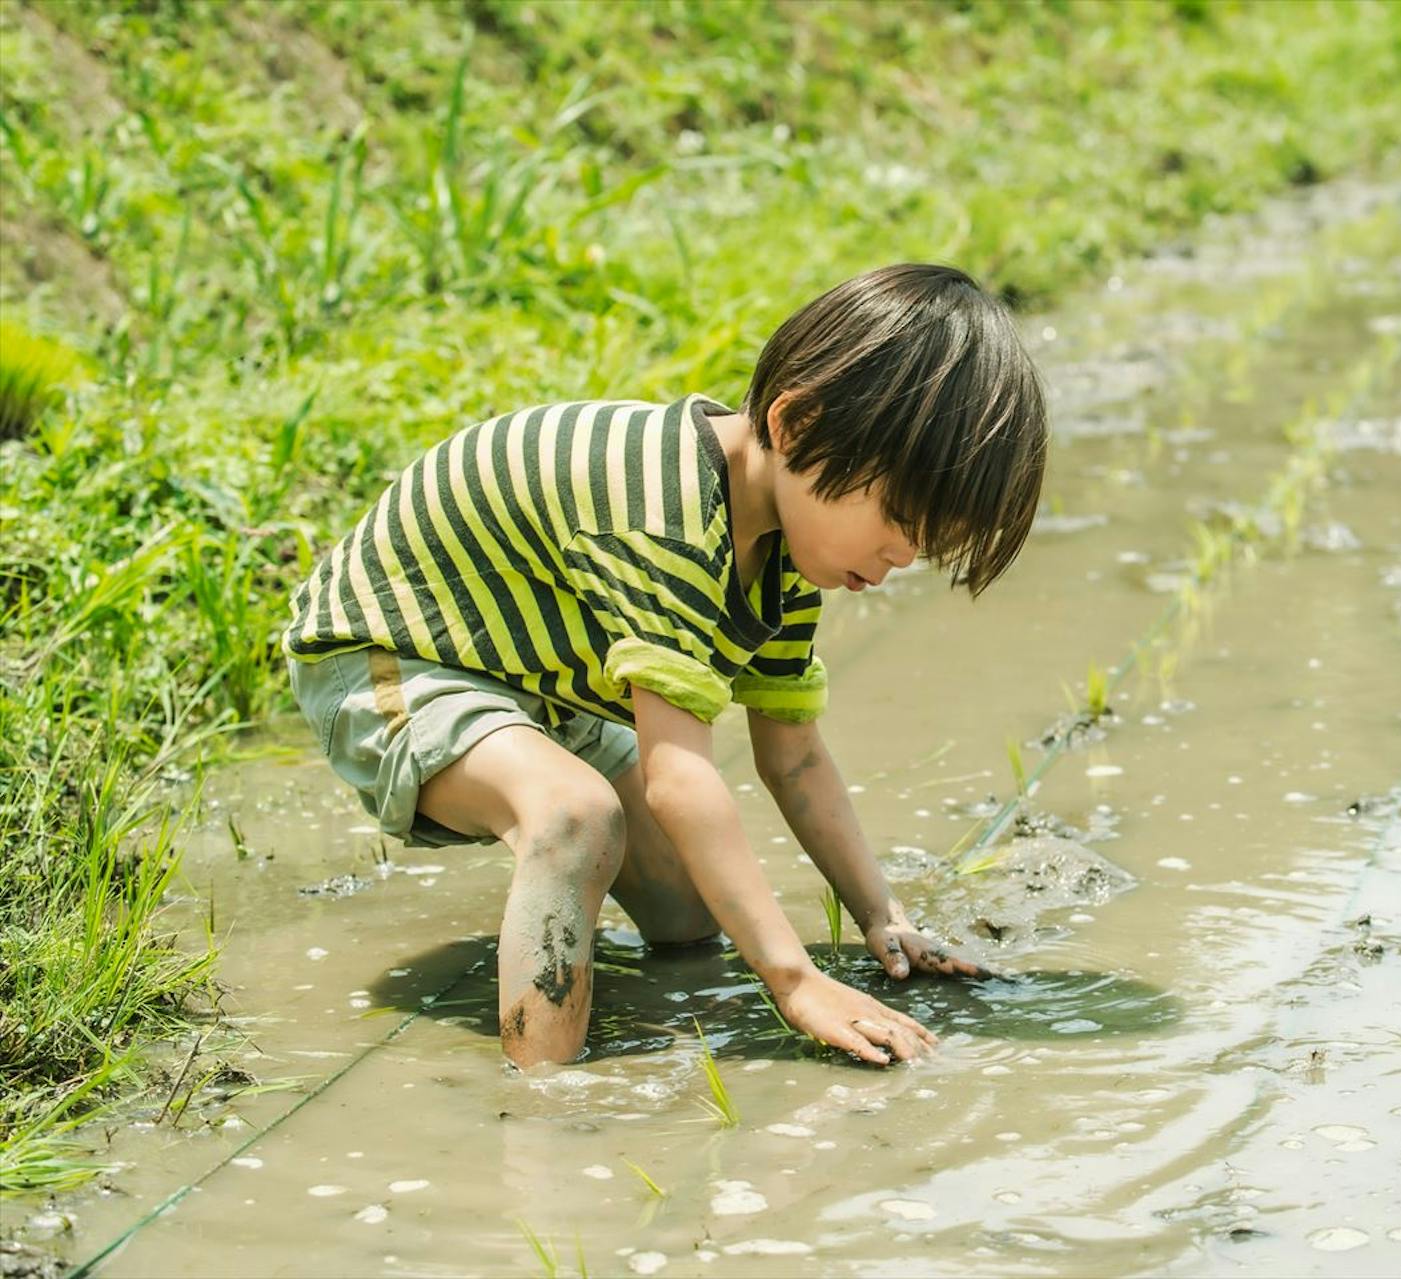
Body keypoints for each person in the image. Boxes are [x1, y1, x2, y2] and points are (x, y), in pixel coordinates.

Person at [281, 263, 1050, 1069]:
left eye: (926, 540)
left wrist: (881, 915)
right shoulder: (669, 510)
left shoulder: (784, 553)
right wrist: (793, 980)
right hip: (390, 659)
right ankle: (543, 1102)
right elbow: (677, 777)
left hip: (537, 683)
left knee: (689, 911)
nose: (904, 554)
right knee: (575, 817)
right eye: (897, 519)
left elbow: (794, 756)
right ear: (797, 424)